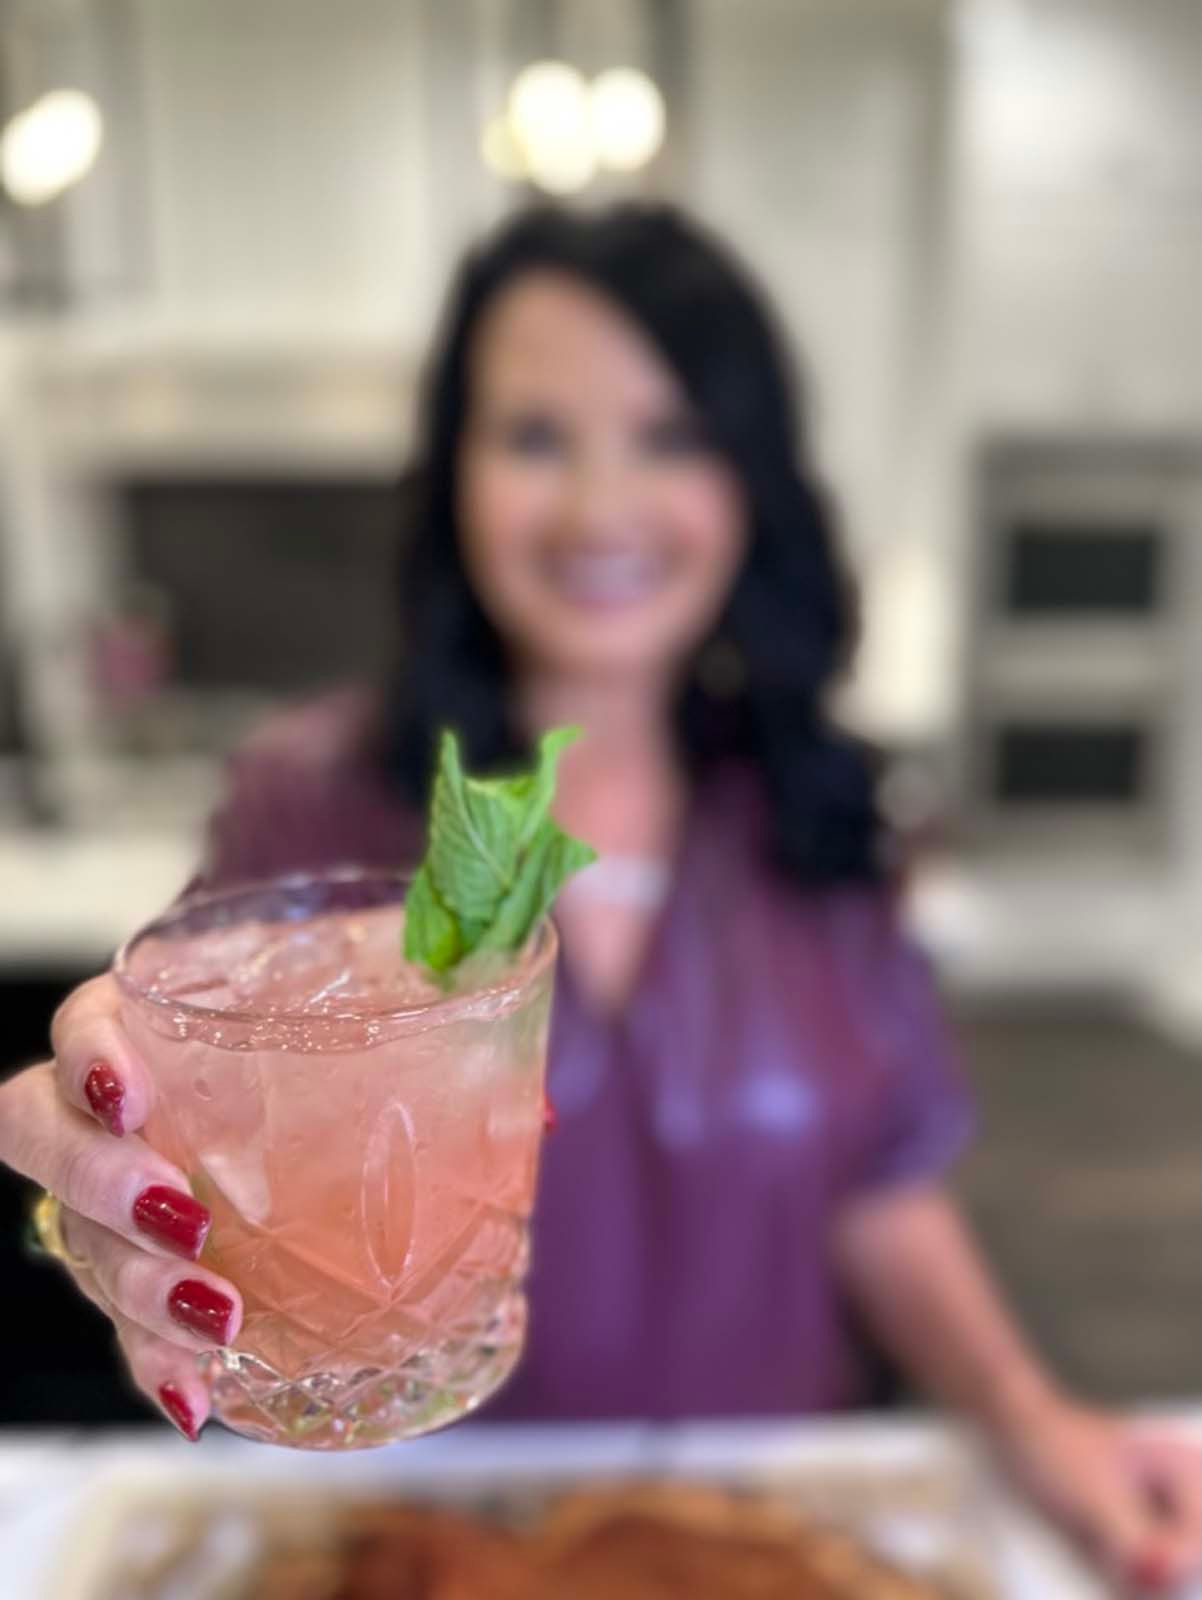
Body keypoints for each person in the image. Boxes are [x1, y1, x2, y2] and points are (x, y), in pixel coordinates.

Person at [1, 205, 1196, 1590]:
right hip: (408, 1534)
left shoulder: (819, 809)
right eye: (533, 436)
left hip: (759, 1526)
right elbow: (189, 1154)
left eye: (671, 434)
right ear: (452, 470)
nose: (598, 505)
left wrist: (1037, 1420)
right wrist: (96, 1191)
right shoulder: (308, 800)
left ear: (749, 477)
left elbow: (881, 1191)